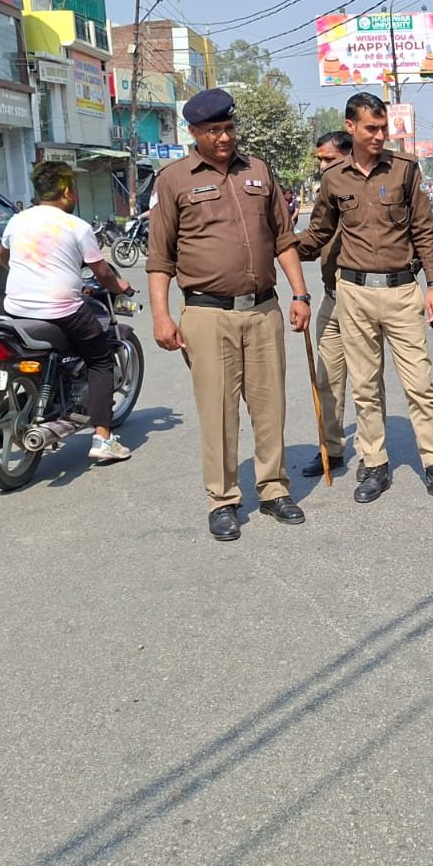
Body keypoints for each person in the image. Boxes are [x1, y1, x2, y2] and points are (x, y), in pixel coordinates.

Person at [145, 88, 313, 542]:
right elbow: (160, 258)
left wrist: (300, 294)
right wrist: (161, 316)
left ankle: (274, 489)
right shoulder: (173, 180)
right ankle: (222, 500)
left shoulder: (258, 170)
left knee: (270, 405)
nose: (223, 137)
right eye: (213, 131)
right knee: (218, 411)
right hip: (206, 313)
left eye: (229, 128)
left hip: (262, 310)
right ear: (193, 132)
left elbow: (283, 239)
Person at [296, 92, 433, 505]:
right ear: (351, 127)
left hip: (402, 291)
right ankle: (374, 464)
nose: (379, 136)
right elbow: (319, 233)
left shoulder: (405, 169)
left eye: (383, 128)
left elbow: (423, 230)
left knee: (420, 384)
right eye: (371, 128)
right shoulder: (334, 177)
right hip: (354, 293)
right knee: (365, 386)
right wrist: (278, 244)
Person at [0, 160, 133, 463]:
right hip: (62, 310)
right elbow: (102, 272)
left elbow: (3, 257)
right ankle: (103, 438)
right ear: (68, 192)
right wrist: (120, 286)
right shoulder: (77, 226)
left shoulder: (17, 221)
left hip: (16, 309)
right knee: (99, 360)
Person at [301, 130, 369, 478]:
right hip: (331, 297)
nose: (323, 166)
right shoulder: (325, 195)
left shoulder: (365, 191)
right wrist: (280, 245)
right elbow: (315, 239)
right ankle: (331, 448)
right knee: (327, 378)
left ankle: (372, 456)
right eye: (320, 160)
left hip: (362, 296)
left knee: (365, 381)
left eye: (329, 159)